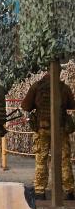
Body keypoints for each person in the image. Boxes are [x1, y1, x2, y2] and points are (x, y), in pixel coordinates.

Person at [21, 72, 75, 200]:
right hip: (60, 129)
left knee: (41, 159)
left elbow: (25, 106)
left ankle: (40, 191)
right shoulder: (63, 87)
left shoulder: (36, 87)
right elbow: (72, 105)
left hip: (42, 129)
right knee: (64, 159)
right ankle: (69, 190)